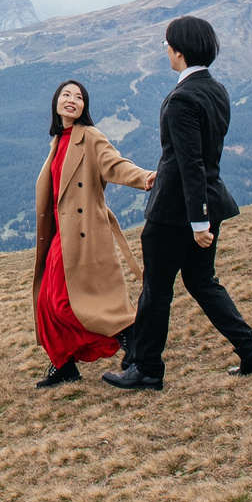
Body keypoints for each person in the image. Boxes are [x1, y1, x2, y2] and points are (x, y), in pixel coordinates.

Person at [105, 15, 252, 389]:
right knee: (203, 282)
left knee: (157, 289)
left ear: (179, 50)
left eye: (167, 44)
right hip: (209, 202)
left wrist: (197, 222)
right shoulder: (216, 90)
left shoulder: (182, 98)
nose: (165, 50)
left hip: (177, 212)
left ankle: (147, 368)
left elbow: (189, 163)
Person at [30, 78, 155, 387]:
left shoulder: (90, 137)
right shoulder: (60, 140)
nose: (72, 99)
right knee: (46, 301)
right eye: (66, 94)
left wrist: (147, 178)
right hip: (63, 234)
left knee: (64, 301)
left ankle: (131, 336)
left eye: (79, 96)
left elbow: (116, 165)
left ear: (84, 106)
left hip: (84, 233)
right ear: (56, 103)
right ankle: (64, 364)